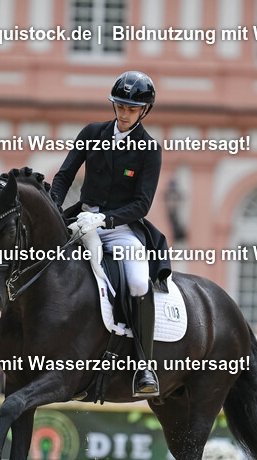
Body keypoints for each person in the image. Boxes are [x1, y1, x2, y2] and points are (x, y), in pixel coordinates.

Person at [50, 70, 168, 397]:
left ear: (144, 110)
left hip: (120, 229)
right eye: (119, 105)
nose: (124, 112)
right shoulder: (91, 132)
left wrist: (106, 221)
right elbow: (63, 176)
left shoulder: (148, 149)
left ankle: (145, 364)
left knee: (137, 281)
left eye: (131, 108)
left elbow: (142, 204)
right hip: (81, 221)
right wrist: (55, 209)